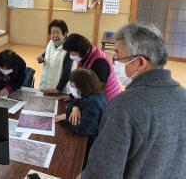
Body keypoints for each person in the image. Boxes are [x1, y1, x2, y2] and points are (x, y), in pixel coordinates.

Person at [78, 22, 186, 179]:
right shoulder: (183, 97)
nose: (114, 62)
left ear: (141, 63)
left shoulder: (124, 106)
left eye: (118, 56)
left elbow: (102, 173)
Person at [54, 68, 106, 167]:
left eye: (74, 87)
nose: (73, 90)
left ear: (83, 86)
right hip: (88, 141)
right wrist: (75, 107)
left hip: (90, 147)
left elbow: (84, 130)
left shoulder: (94, 103)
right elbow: (76, 101)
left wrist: (67, 117)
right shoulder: (90, 94)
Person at [63, 33, 122, 101]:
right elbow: (82, 82)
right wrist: (72, 96)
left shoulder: (100, 62)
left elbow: (96, 89)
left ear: (80, 50)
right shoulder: (85, 57)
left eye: (71, 52)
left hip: (108, 100)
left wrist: (77, 102)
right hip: (95, 99)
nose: (70, 55)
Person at [38, 19, 73, 94]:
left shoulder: (68, 50)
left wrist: (58, 89)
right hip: (46, 85)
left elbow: (67, 72)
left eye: (57, 33)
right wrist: (41, 57)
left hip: (60, 89)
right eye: (52, 33)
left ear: (65, 34)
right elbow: (47, 53)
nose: (54, 35)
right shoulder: (51, 43)